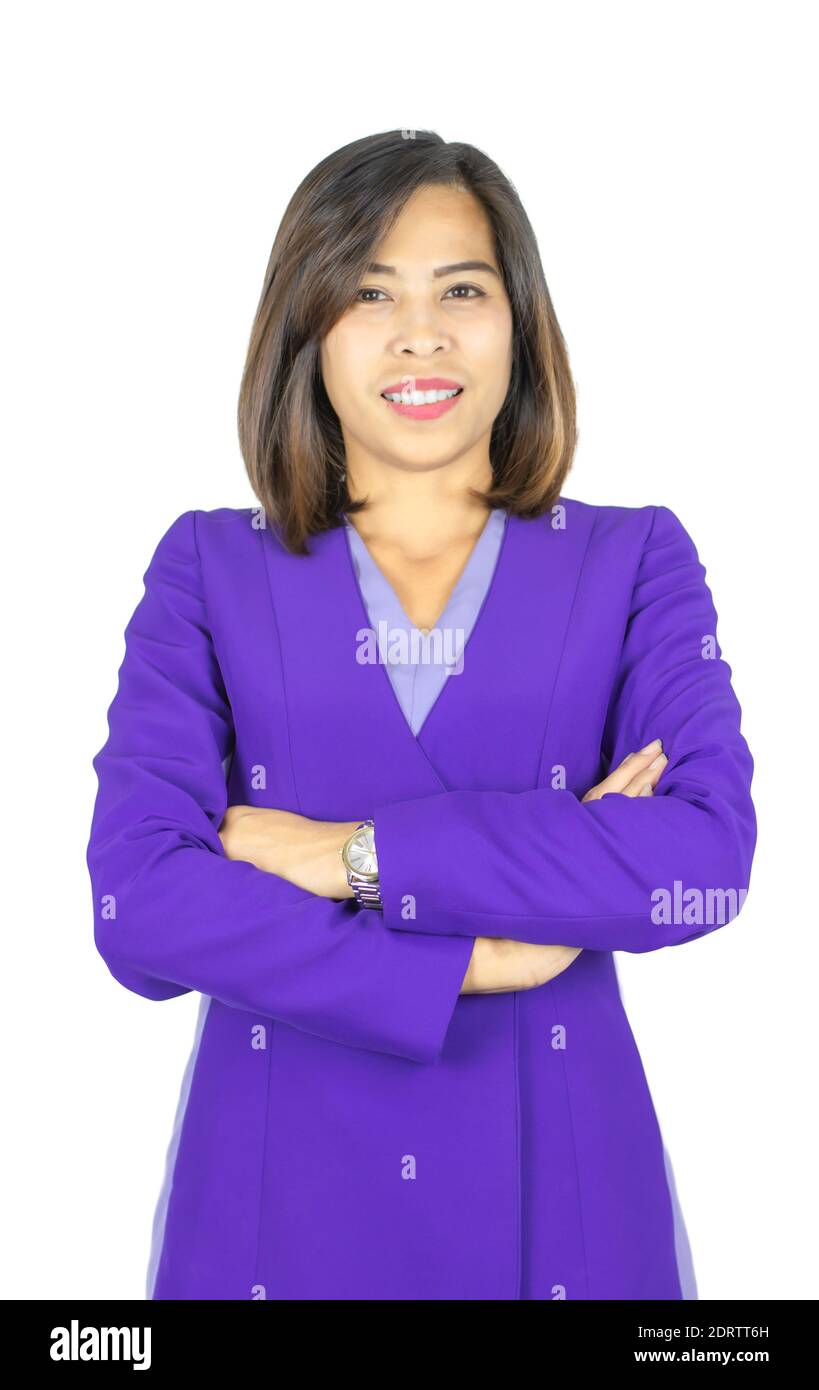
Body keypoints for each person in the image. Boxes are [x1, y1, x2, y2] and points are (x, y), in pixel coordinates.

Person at [86, 129, 757, 1300]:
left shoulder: (633, 560)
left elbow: (700, 853)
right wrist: (469, 962)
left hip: (565, 1206)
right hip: (275, 1211)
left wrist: (346, 855)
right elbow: (139, 907)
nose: (420, 333)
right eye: (368, 293)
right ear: (307, 328)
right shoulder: (207, 570)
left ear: (520, 321)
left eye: (462, 289)